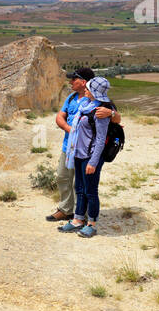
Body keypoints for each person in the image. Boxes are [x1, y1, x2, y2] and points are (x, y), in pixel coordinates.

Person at [46, 68, 114, 222]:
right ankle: (66, 210)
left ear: (83, 82)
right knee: (63, 177)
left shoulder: (100, 102)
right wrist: (71, 130)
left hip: (86, 150)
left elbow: (115, 120)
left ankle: (84, 215)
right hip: (69, 148)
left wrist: (111, 113)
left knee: (84, 185)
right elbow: (60, 117)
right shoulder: (71, 98)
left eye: (74, 79)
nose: (70, 82)